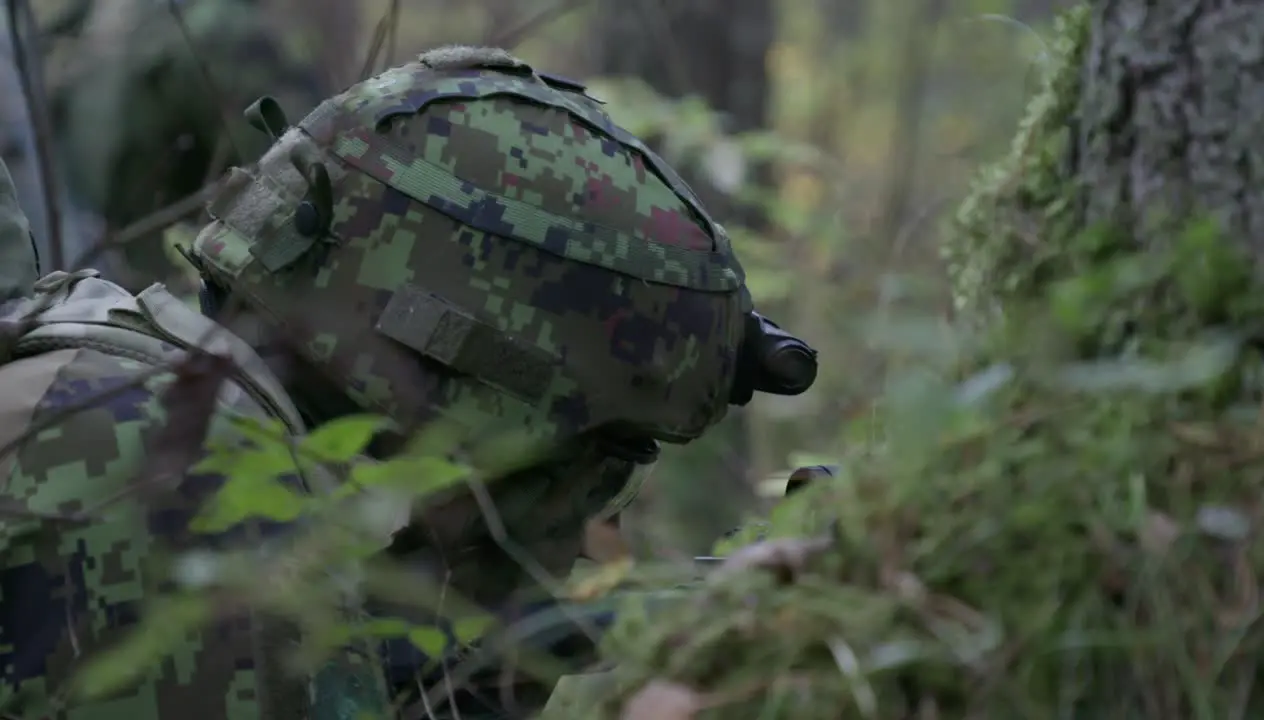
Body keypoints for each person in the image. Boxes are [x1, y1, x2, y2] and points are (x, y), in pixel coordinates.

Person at [0, 44, 817, 719]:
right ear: (482, 394)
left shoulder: (108, 371)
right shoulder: (188, 499)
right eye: (607, 455)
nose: (581, 522)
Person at [46, 0, 328, 292]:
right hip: (175, 299)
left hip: (93, 291)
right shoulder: (219, 26)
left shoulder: (90, 23)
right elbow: (311, 176)